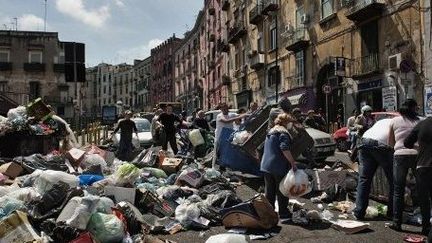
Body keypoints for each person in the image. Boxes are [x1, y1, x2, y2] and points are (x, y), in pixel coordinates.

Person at [387, 99, 420, 231]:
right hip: (417, 155)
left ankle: (397, 223)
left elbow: (390, 142)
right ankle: (425, 222)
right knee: (421, 188)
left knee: (398, 190)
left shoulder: (394, 121)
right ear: (414, 108)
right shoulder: (419, 121)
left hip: (400, 155)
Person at [353, 118, 394, 220]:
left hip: (365, 141)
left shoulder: (382, 121)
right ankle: (392, 213)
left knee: (364, 179)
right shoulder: (402, 123)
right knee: (394, 181)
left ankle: (359, 212)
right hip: (382, 145)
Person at [261, 113, 298, 223]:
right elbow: (284, 148)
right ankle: (283, 213)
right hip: (278, 166)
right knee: (282, 190)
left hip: (266, 166)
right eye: (290, 122)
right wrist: (293, 163)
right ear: (286, 123)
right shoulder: (283, 133)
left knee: (270, 192)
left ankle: (270, 213)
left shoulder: (271, 131)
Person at [404, 116, 432, 235]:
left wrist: (420, 146)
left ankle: (426, 228)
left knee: (424, 199)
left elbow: (407, 142)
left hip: (423, 166)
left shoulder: (423, 124)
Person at [213, 103, 248, 168]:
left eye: (226, 108)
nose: (225, 109)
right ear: (221, 109)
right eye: (223, 108)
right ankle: (219, 167)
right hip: (220, 137)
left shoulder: (231, 114)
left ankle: (227, 166)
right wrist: (238, 117)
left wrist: (248, 114)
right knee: (220, 152)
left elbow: (240, 115)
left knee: (228, 151)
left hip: (228, 136)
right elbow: (226, 121)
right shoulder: (219, 116)